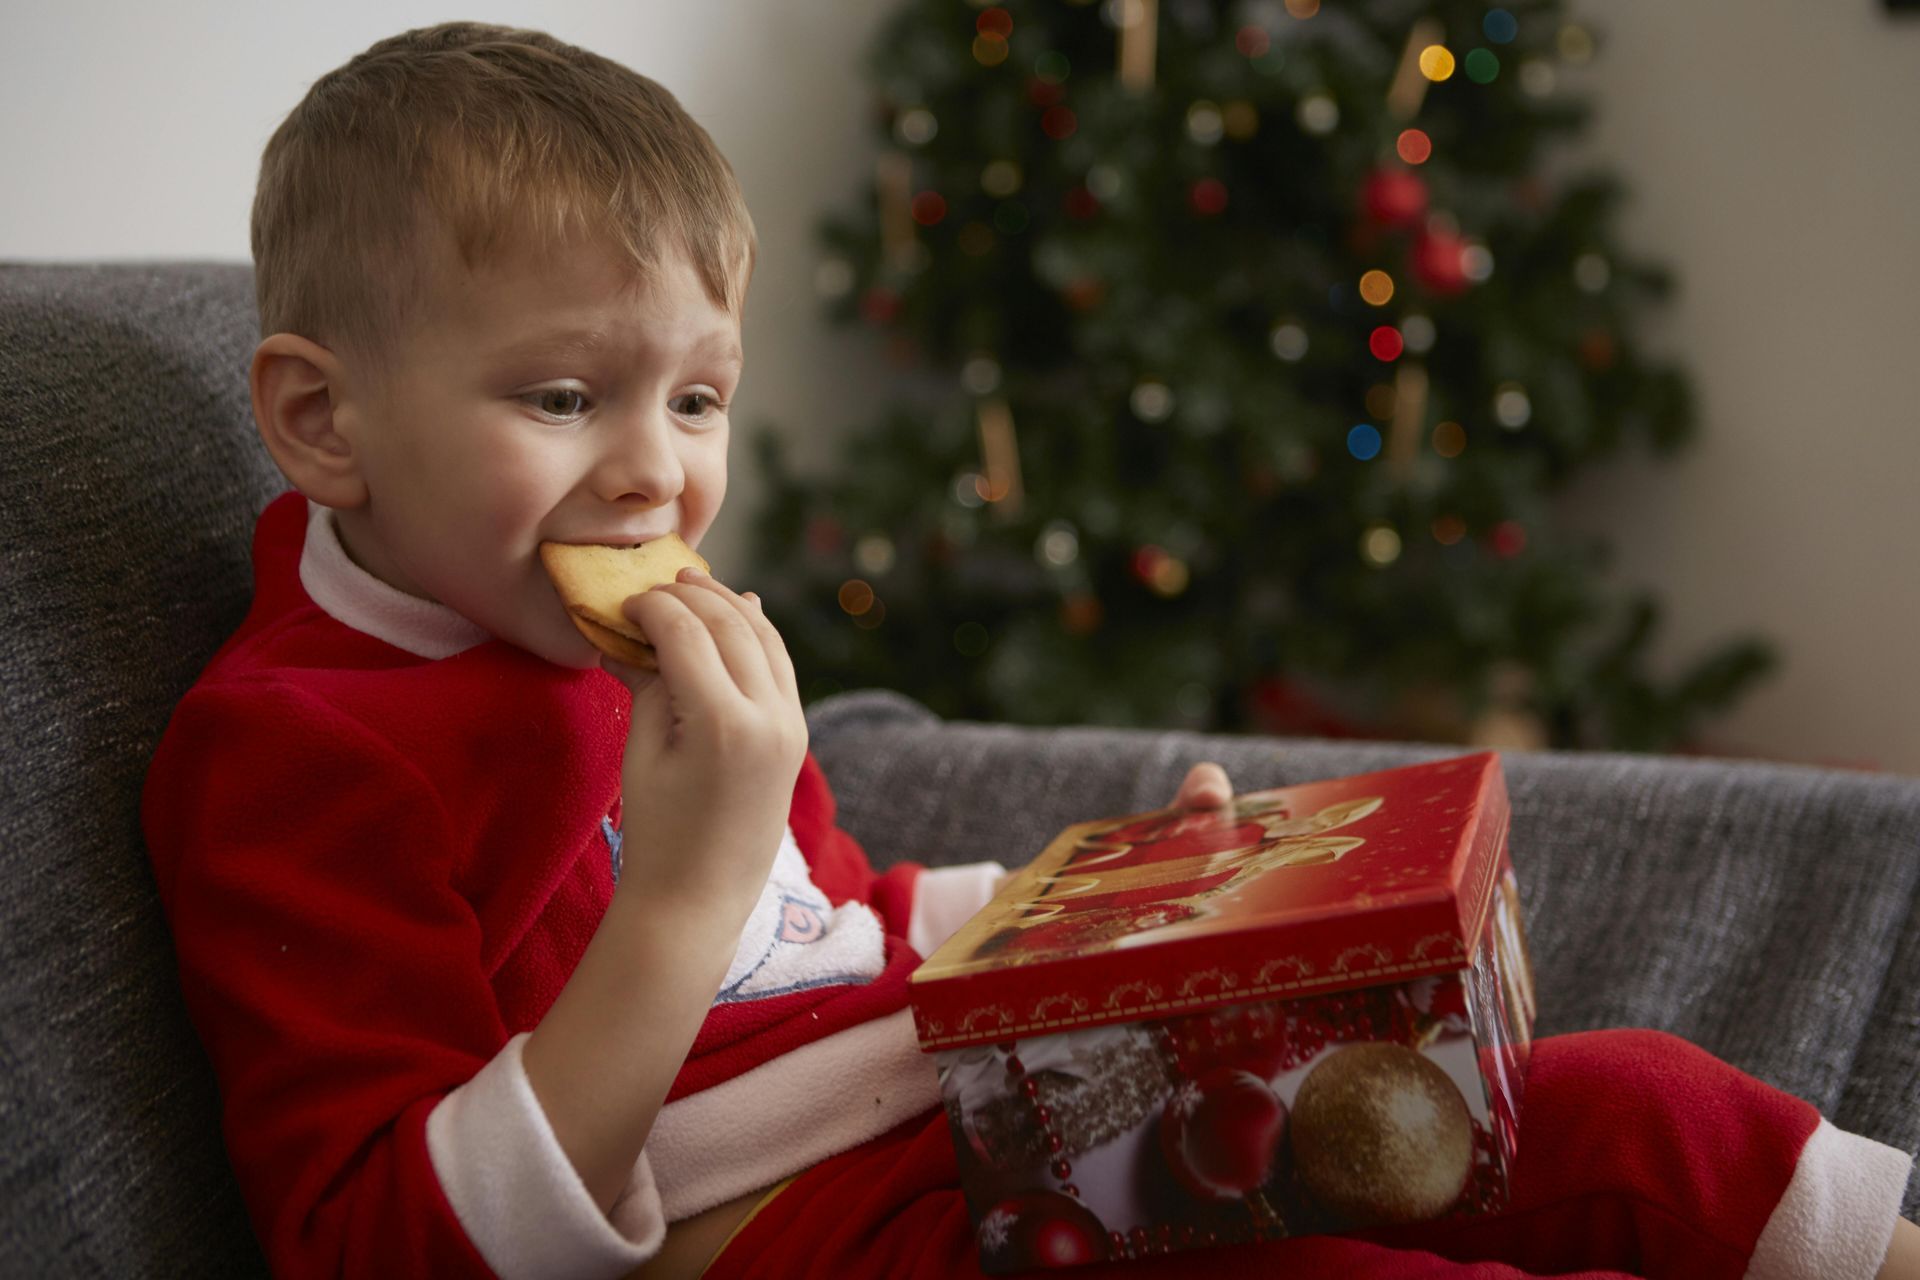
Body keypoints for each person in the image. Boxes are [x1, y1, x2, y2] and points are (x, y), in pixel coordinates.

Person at [140, 21, 1916, 1280]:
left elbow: (836, 923)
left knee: (1616, 1110)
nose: (654, 468)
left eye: (697, 397)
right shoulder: (297, 748)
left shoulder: (641, 639)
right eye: (560, 394)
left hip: (954, 1102)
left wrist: (1123, 902)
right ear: (323, 421)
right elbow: (381, 1244)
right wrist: (683, 891)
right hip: (816, 1227)